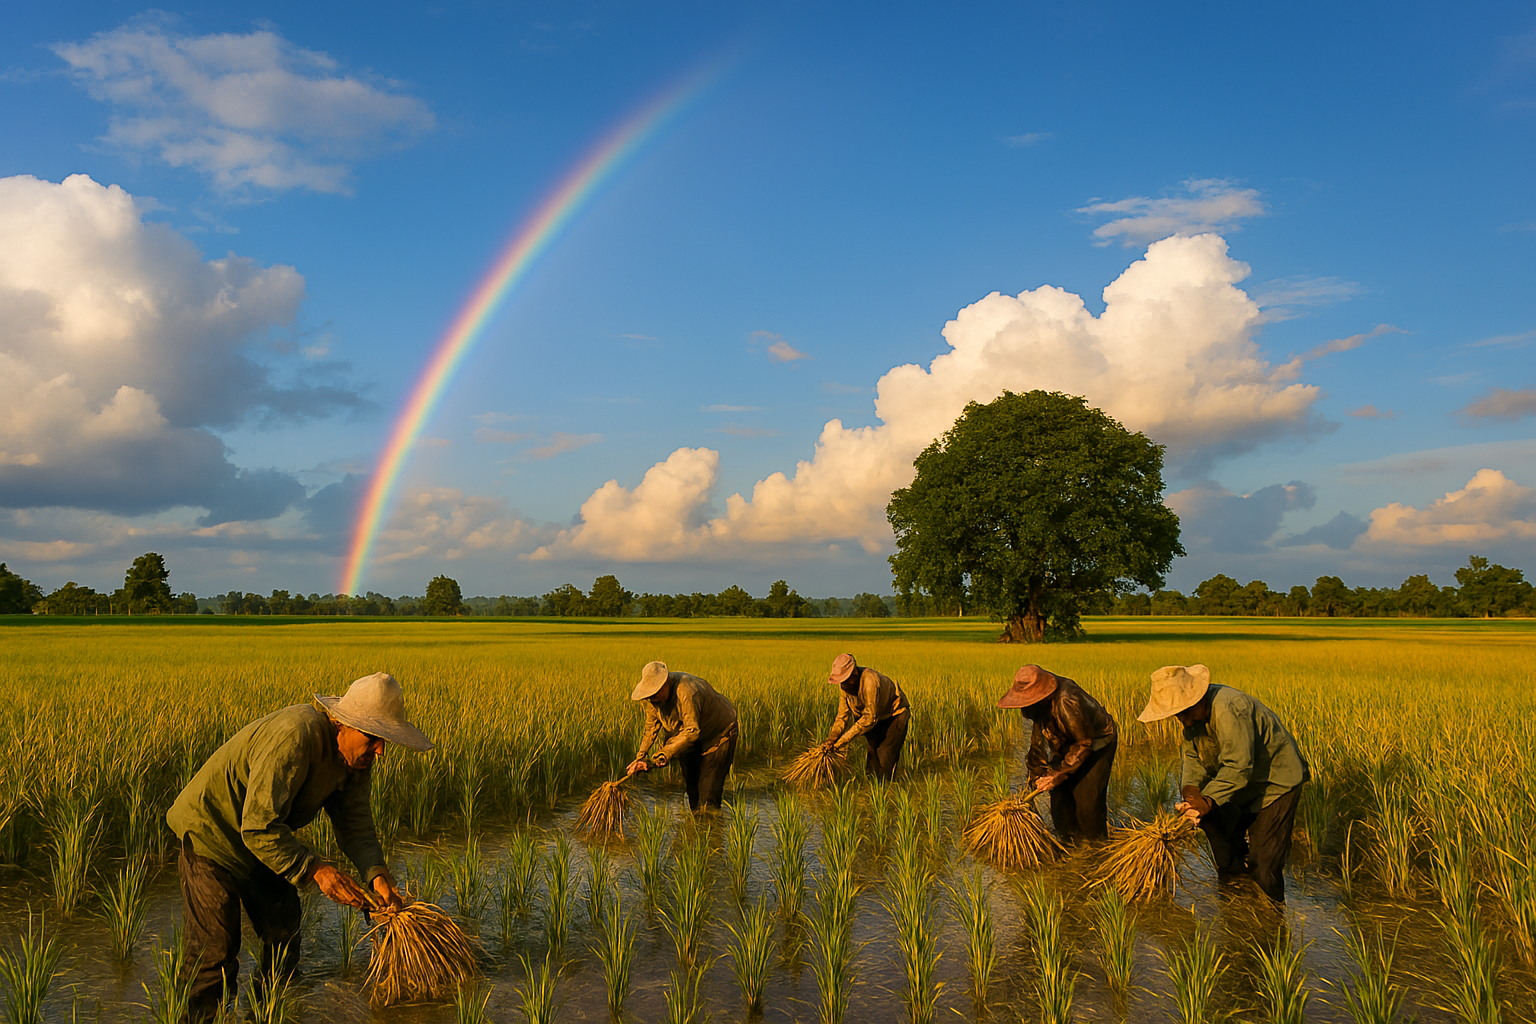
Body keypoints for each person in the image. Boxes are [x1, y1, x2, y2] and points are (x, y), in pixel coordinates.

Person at [166, 672, 432, 1021]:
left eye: (385, 741)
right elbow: (258, 824)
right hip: (211, 834)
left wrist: (377, 877)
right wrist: (317, 870)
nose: (380, 751)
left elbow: (356, 826)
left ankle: (270, 1012)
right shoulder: (297, 736)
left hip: (261, 840)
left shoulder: (355, 761)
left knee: (283, 925)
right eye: (373, 737)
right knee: (215, 950)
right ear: (343, 725)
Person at [1138, 664, 1308, 903]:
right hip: (1236, 787)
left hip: (1274, 785)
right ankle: (1236, 909)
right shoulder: (1193, 718)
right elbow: (1193, 758)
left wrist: (1208, 800)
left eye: (1184, 712)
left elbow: (1239, 766)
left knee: (1264, 867)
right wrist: (1191, 795)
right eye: (1177, 715)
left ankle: (1271, 924)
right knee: (1225, 852)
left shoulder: (1229, 708)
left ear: (1198, 699)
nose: (1183, 721)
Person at [996, 664, 1118, 840]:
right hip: (1068, 742)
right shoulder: (1040, 707)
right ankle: (1069, 847)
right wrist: (1035, 775)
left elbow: (1084, 743)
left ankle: (1095, 851)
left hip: (1096, 743)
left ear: (1041, 698)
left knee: (1087, 806)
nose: (1023, 711)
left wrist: (1057, 774)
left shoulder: (1066, 701)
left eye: (1025, 704)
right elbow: (1037, 744)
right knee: (1060, 804)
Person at [625, 660, 738, 810]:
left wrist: (664, 753)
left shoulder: (686, 691)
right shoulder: (654, 701)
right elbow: (650, 729)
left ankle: (711, 827)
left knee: (708, 794)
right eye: (649, 695)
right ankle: (694, 828)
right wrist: (640, 757)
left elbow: (692, 731)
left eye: (655, 693)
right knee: (692, 790)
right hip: (688, 737)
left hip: (718, 734)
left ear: (666, 683)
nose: (652, 699)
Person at [820, 653, 910, 780]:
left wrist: (841, 742)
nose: (843, 685)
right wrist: (831, 739)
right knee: (872, 761)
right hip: (875, 719)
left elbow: (869, 718)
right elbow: (842, 717)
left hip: (894, 717)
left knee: (884, 758)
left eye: (845, 680)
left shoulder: (870, 681)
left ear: (854, 674)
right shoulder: (845, 687)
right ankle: (871, 791)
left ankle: (886, 793)